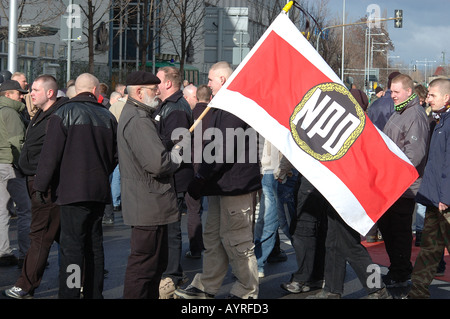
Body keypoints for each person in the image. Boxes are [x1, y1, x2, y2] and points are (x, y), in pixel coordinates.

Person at [175, 61, 261, 299]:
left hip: (236, 185)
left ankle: (247, 291)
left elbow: (223, 147)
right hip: (220, 184)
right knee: (213, 238)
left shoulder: (235, 104)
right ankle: (207, 285)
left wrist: (202, 176)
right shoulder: (223, 104)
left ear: (223, 80)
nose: (208, 84)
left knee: (237, 242)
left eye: (211, 80)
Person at [32, 73, 118, 299]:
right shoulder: (107, 117)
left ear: (75, 90)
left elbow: (50, 156)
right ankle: (93, 293)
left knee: (72, 248)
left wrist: (40, 187)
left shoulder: (63, 113)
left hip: (72, 192)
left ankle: (70, 293)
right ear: (96, 91)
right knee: (95, 247)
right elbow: (115, 156)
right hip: (98, 192)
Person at [118, 70, 183, 299]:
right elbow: (158, 163)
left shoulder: (139, 115)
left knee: (152, 264)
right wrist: (177, 154)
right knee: (144, 266)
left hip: (148, 202)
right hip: (148, 203)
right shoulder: (138, 119)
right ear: (138, 92)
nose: (158, 93)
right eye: (153, 90)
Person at [4, 75, 68, 299]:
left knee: (39, 236)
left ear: (50, 93)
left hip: (46, 186)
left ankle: (26, 285)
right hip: (36, 182)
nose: (30, 93)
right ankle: (79, 279)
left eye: (36, 90)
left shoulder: (57, 116)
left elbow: (53, 155)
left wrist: (41, 185)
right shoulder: (41, 114)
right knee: (63, 236)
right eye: (30, 90)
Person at [378, 73, 429, 288]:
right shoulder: (400, 111)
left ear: (409, 92)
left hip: (403, 186)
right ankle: (399, 268)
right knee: (388, 227)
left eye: (396, 92)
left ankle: (401, 271)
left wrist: (392, 172)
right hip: (392, 183)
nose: (392, 95)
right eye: (391, 91)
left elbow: (414, 155)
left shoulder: (415, 115)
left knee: (398, 231)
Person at [407, 78, 450, 298]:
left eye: (432, 95)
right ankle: (417, 292)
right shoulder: (438, 120)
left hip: (445, 202)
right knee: (430, 250)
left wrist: (445, 197)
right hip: (435, 198)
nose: (428, 99)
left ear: (446, 97)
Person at [154, 66, 194, 298]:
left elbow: (177, 144)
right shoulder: (169, 105)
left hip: (175, 176)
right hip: (171, 173)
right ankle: (170, 271)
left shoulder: (176, 108)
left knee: (171, 229)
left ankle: (172, 276)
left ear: (168, 83)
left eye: (157, 80)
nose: (154, 84)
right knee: (167, 227)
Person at [0, 80, 30, 267]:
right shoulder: (11, 113)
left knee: (2, 211)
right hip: (11, 165)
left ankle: (4, 252)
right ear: (8, 94)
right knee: (25, 210)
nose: (22, 96)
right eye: (19, 93)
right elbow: (18, 143)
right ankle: (26, 254)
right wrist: (25, 168)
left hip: (1, 164)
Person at [184, 84, 212, 259]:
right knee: (217, 210)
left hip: (194, 166)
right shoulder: (216, 115)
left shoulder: (190, 115)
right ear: (210, 98)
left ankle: (196, 248)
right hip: (213, 166)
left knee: (193, 209)